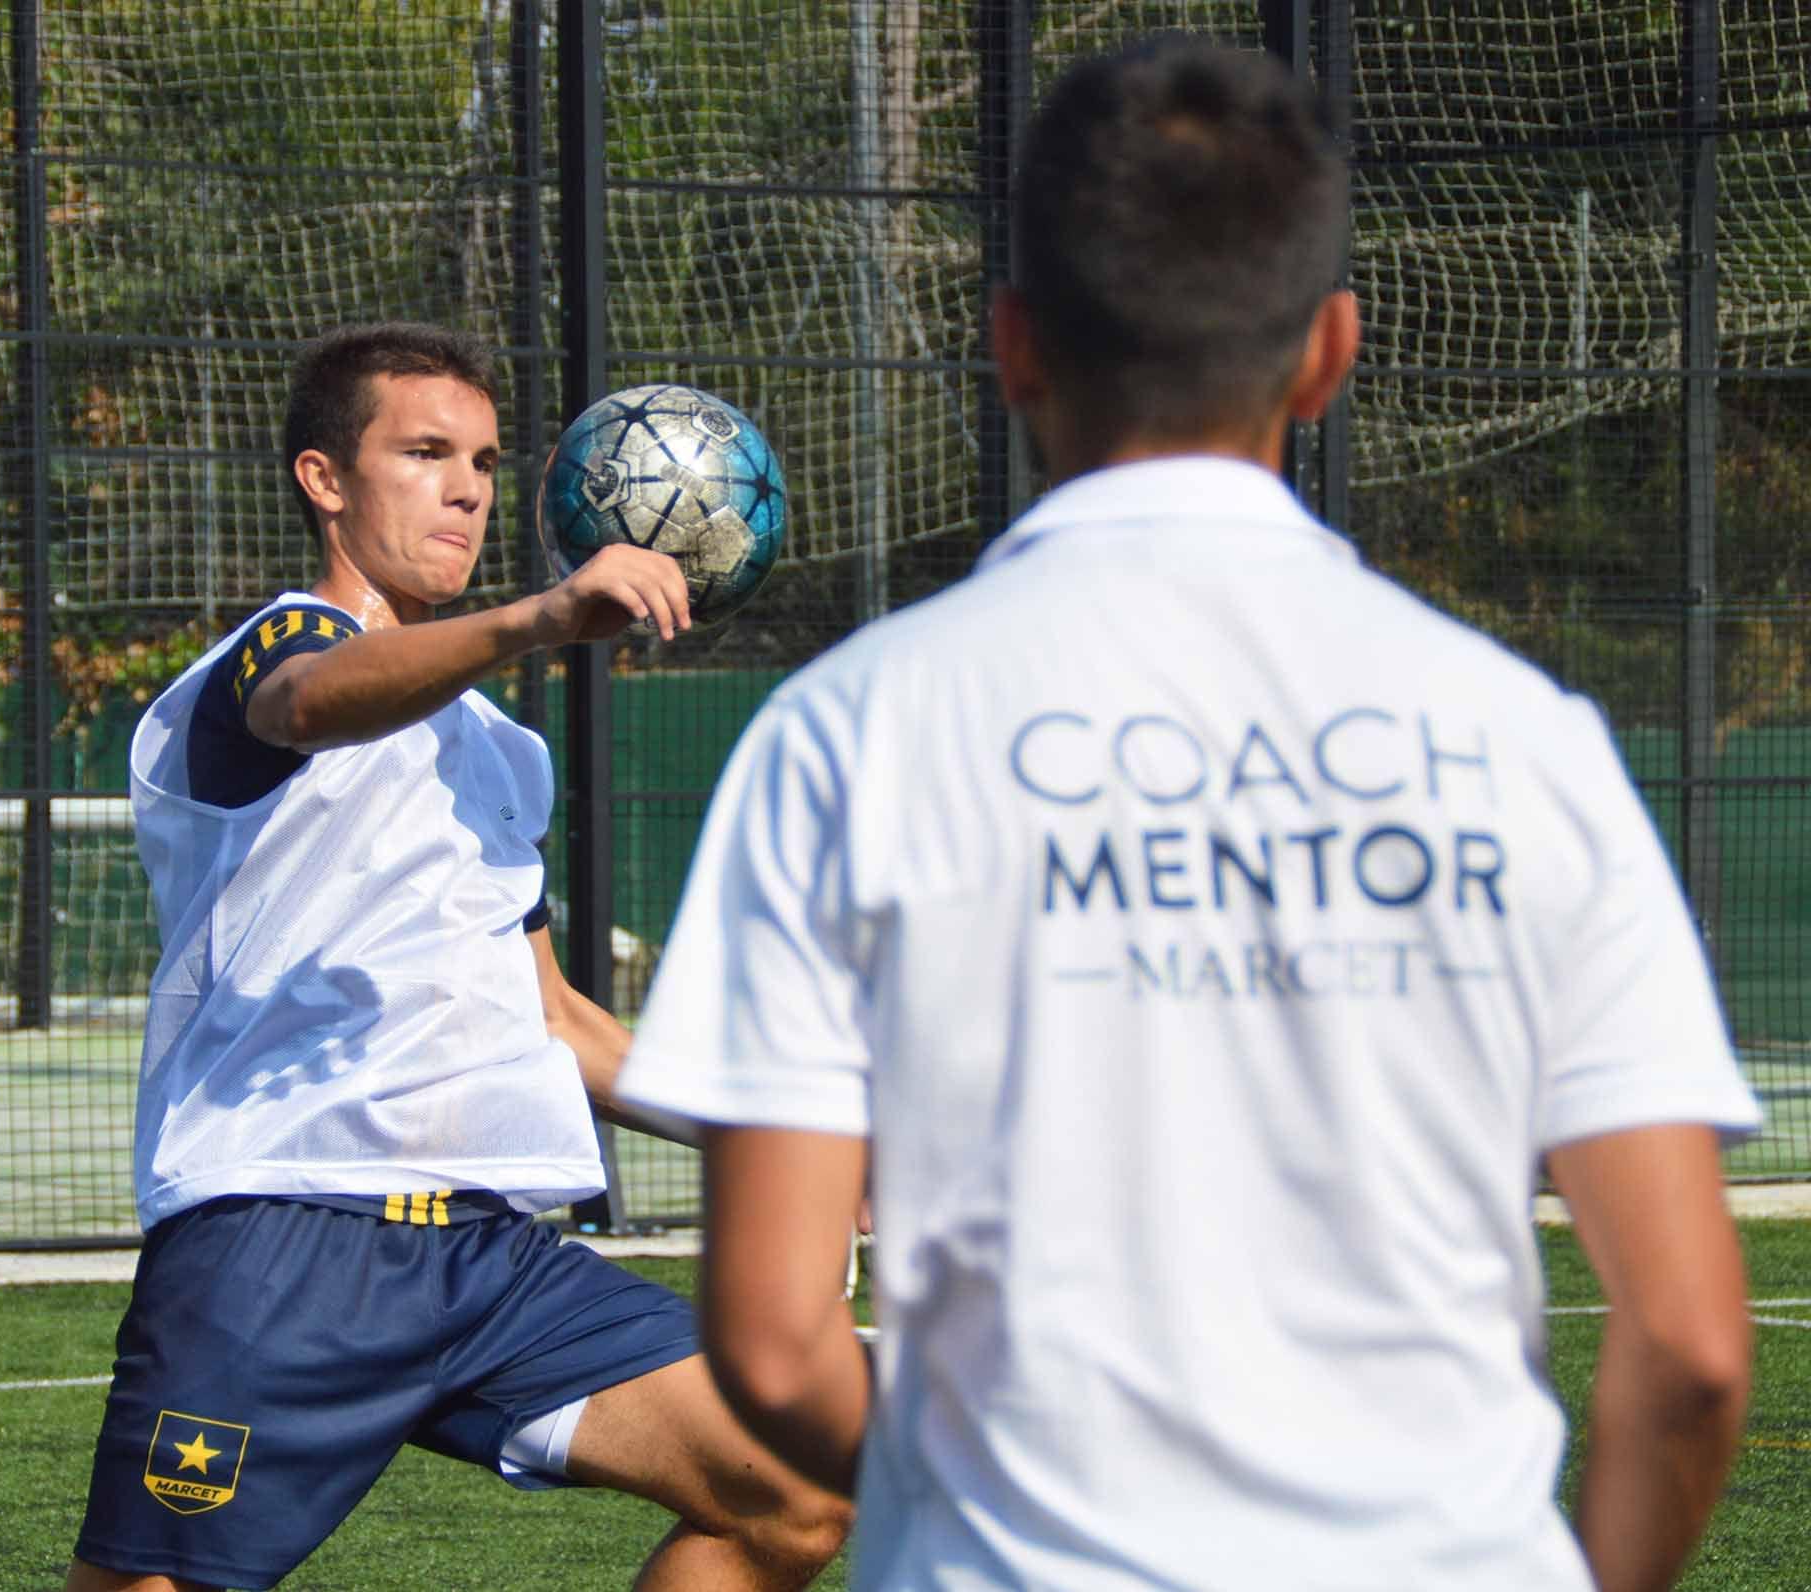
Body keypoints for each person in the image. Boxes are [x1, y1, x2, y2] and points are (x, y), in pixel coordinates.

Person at [617, 34, 1760, 1592]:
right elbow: (1692, 1345)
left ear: (1014, 346)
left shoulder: (851, 731)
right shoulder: (1524, 739)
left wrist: (967, 1507)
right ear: (1331, 350)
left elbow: (766, 1333)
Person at [65, 322, 850, 1592]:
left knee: (795, 1484)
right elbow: (314, 700)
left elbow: (555, 1020)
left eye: (483, 460)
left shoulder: (497, 750)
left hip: (490, 1260)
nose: (466, 487)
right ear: (326, 478)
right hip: (285, 1234)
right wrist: (539, 615)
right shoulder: (271, 654)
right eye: (423, 451)